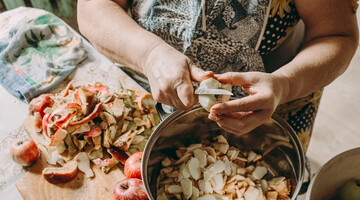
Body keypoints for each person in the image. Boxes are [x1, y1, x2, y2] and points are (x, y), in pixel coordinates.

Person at [77, 0, 359, 152]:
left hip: (267, 112)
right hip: (143, 102)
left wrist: (285, 84)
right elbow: (93, 7)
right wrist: (150, 56)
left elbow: (336, 34)